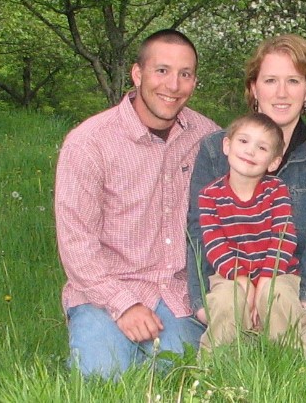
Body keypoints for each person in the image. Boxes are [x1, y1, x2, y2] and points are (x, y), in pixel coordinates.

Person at [54, 29, 220, 378]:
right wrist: (124, 304)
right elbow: (76, 244)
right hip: (104, 293)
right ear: (137, 73)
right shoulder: (89, 143)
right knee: (101, 379)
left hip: (177, 294)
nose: (173, 85)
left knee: (182, 376)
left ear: (194, 81)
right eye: (162, 71)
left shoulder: (207, 138)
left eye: (185, 74)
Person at [187, 34, 306, 354]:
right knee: (228, 352)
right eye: (271, 80)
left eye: (293, 81)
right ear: (254, 88)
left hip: (299, 288)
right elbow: (198, 232)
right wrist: (202, 303)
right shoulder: (217, 150)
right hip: (231, 287)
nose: (281, 92)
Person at [198, 113, 303, 350]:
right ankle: (217, 362)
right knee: (227, 300)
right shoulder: (209, 196)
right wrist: (242, 280)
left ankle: (284, 358)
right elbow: (215, 245)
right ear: (227, 145)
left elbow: (283, 237)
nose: (250, 151)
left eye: (262, 147)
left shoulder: (276, 190)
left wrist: (265, 281)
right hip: (230, 275)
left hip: (278, 272)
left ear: (274, 162)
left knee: (277, 296)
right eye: (243, 141)